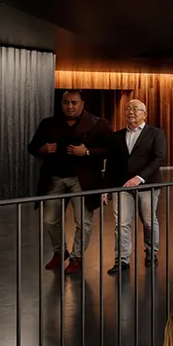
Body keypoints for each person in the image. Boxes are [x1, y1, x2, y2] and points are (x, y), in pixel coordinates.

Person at [28, 89, 112, 275]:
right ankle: (60, 252)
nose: (70, 106)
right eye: (66, 102)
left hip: (83, 180)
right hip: (54, 177)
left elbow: (112, 150)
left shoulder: (98, 124)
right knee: (50, 220)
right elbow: (32, 147)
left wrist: (88, 151)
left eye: (74, 102)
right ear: (62, 104)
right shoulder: (49, 123)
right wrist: (43, 149)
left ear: (82, 104)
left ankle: (77, 257)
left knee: (83, 221)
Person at [106, 98, 166, 274]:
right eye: (128, 108)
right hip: (121, 186)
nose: (131, 111)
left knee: (148, 222)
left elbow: (159, 158)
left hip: (147, 185)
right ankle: (122, 260)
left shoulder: (156, 133)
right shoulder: (116, 136)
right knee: (122, 224)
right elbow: (111, 164)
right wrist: (107, 188)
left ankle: (151, 252)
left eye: (136, 108)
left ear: (144, 114)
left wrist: (140, 178)